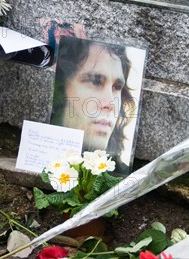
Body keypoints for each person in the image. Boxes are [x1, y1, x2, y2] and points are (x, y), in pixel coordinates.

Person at [50, 36, 136, 174]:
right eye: (96, 82)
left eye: (117, 87)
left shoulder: (122, 179)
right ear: (61, 89)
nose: (110, 104)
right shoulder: (39, 157)